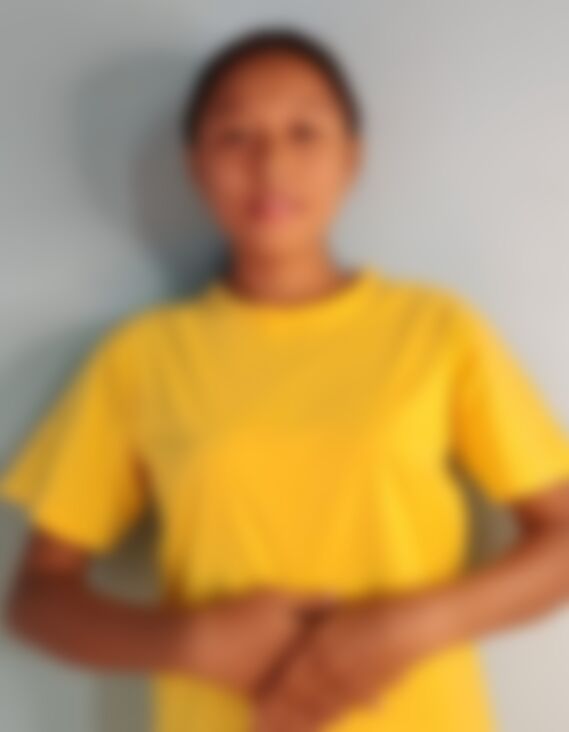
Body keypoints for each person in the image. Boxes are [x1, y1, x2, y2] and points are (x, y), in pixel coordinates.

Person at [2, 24, 569, 732]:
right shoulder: (142, 359)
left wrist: (408, 627)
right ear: (195, 165)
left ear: (351, 158)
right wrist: (193, 642)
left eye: (304, 133)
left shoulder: (437, 332)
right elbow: (37, 600)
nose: (271, 164)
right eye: (235, 136)